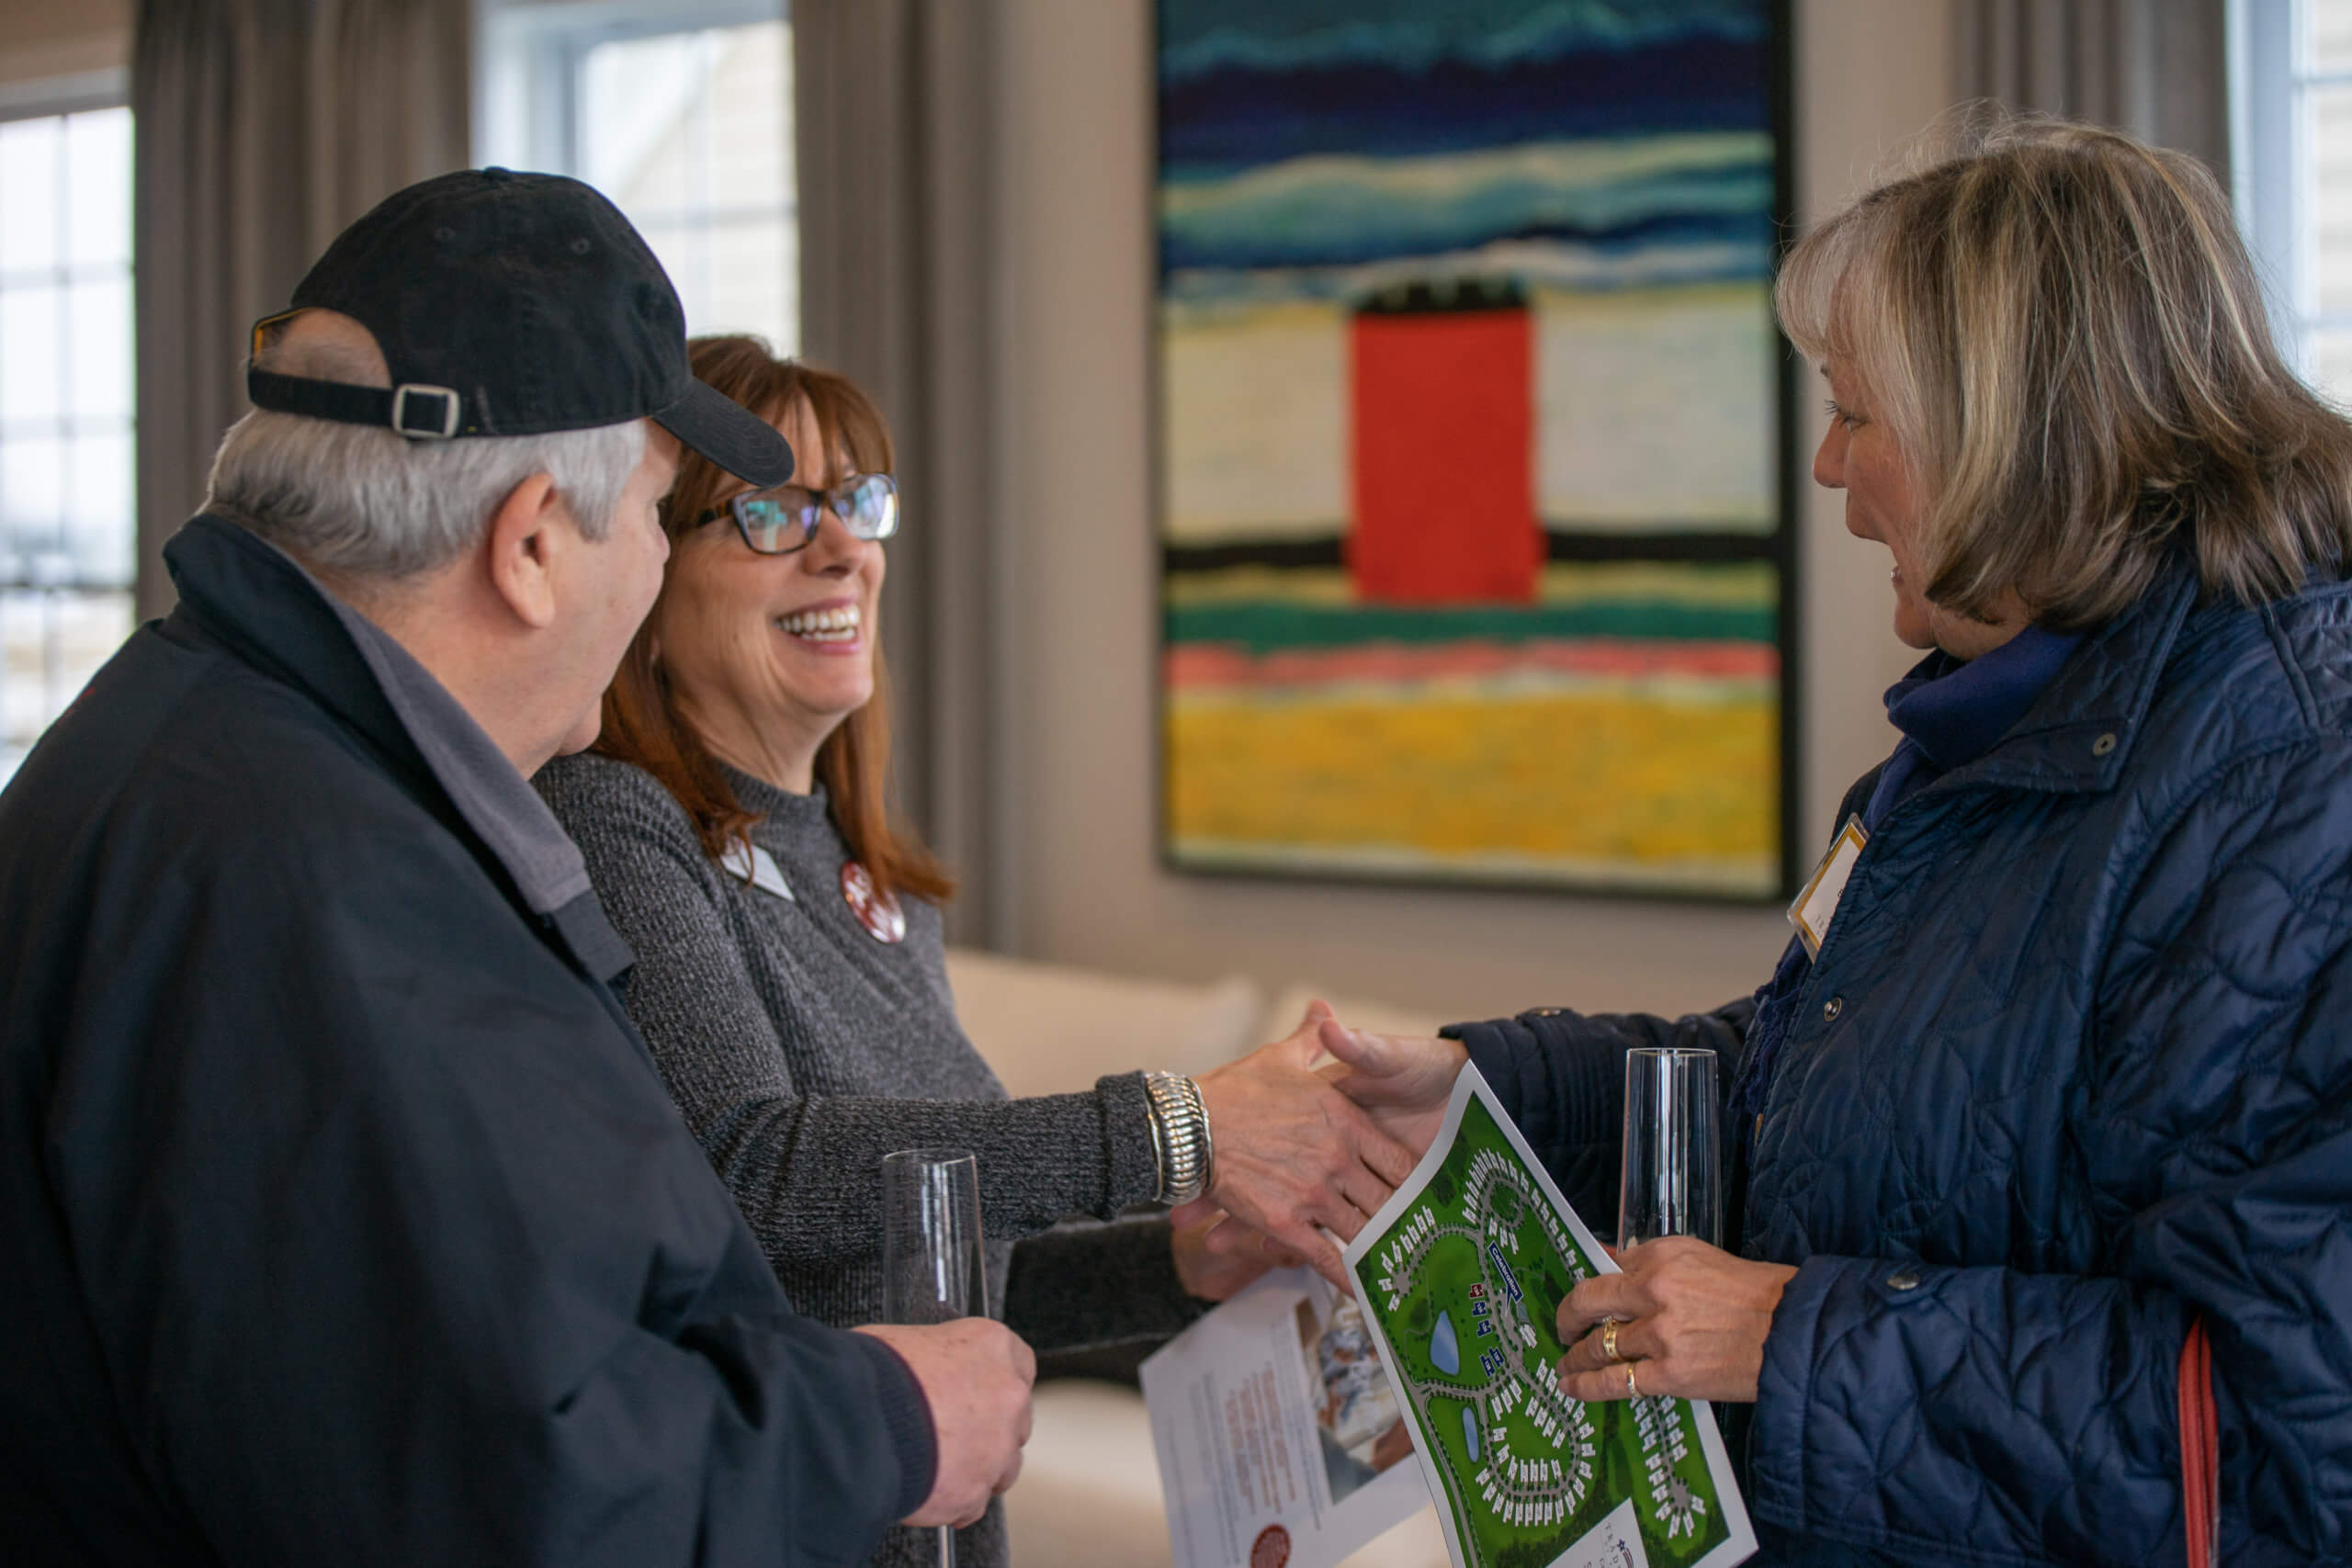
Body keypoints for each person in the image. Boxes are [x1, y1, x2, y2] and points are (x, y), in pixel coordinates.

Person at [1311, 116, 2352, 1563]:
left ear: (2010, 438)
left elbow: (2282, 1444)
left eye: (1859, 417)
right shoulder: (1994, 730)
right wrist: (1495, 1094)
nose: (1826, 467)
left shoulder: (2292, 789)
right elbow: (1832, 1084)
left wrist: (1790, 1334)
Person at [0, 170, 1035, 1567]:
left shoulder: (187, 751)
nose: (649, 570)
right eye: (657, 514)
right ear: (535, 544)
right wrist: (888, 1424)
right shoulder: (338, 899)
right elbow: (516, 1489)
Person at [533, 338, 1422, 1568]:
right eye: (772, 512)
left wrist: (1177, 1266)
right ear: (648, 569)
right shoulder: (614, 822)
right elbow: (754, 1172)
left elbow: (923, 1272)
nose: (842, 549)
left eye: (857, 503)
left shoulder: (873, 886)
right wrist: (1185, 1127)